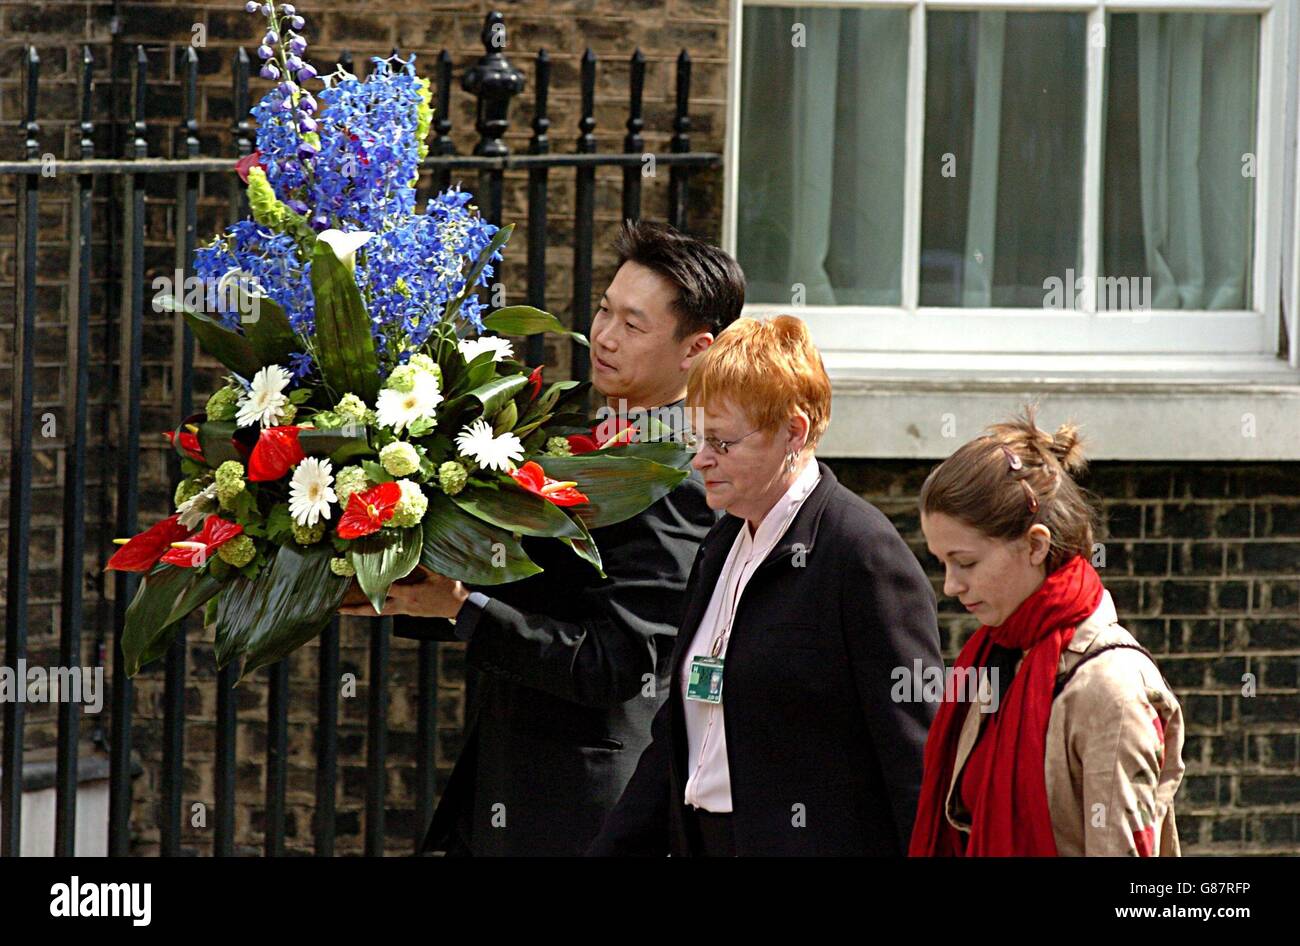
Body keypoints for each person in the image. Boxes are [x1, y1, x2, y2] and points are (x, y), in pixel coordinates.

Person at [338, 221, 744, 855]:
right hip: (511, 776)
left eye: (633, 326)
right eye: (605, 311)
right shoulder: (601, 432)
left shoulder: (677, 475)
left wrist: (461, 606)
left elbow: (620, 664)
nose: (604, 337)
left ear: (696, 349)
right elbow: (541, 591)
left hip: (582, 807)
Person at [588, 315, 944, 856]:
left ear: (794, 432)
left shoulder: (861, 552)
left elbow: (914, 756)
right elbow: (678, 734)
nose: (702, 459)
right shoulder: (722, 539)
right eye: (699, 438)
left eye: (723, 442)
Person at [910, 407, 1185, 856]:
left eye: (966, 562)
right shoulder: (994, 655)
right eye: (943, 563)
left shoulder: (1111, 689)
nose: (951, 585)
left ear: (1036, 545)